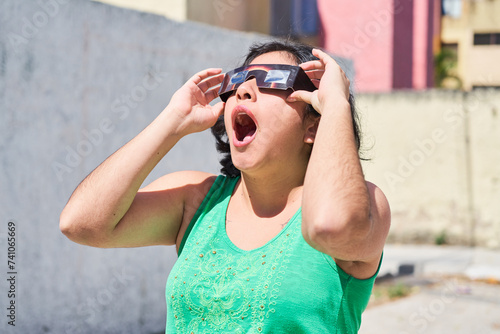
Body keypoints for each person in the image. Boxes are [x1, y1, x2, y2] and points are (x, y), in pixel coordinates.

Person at [60, 39, 390, 333]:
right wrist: (171, 122)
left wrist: (336, 107)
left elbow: (330, 227)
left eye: (273, 80)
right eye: (237, 83)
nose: (244, 90)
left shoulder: (366, 204)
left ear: (313, 124)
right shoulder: (197, 200)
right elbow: (81, 224)